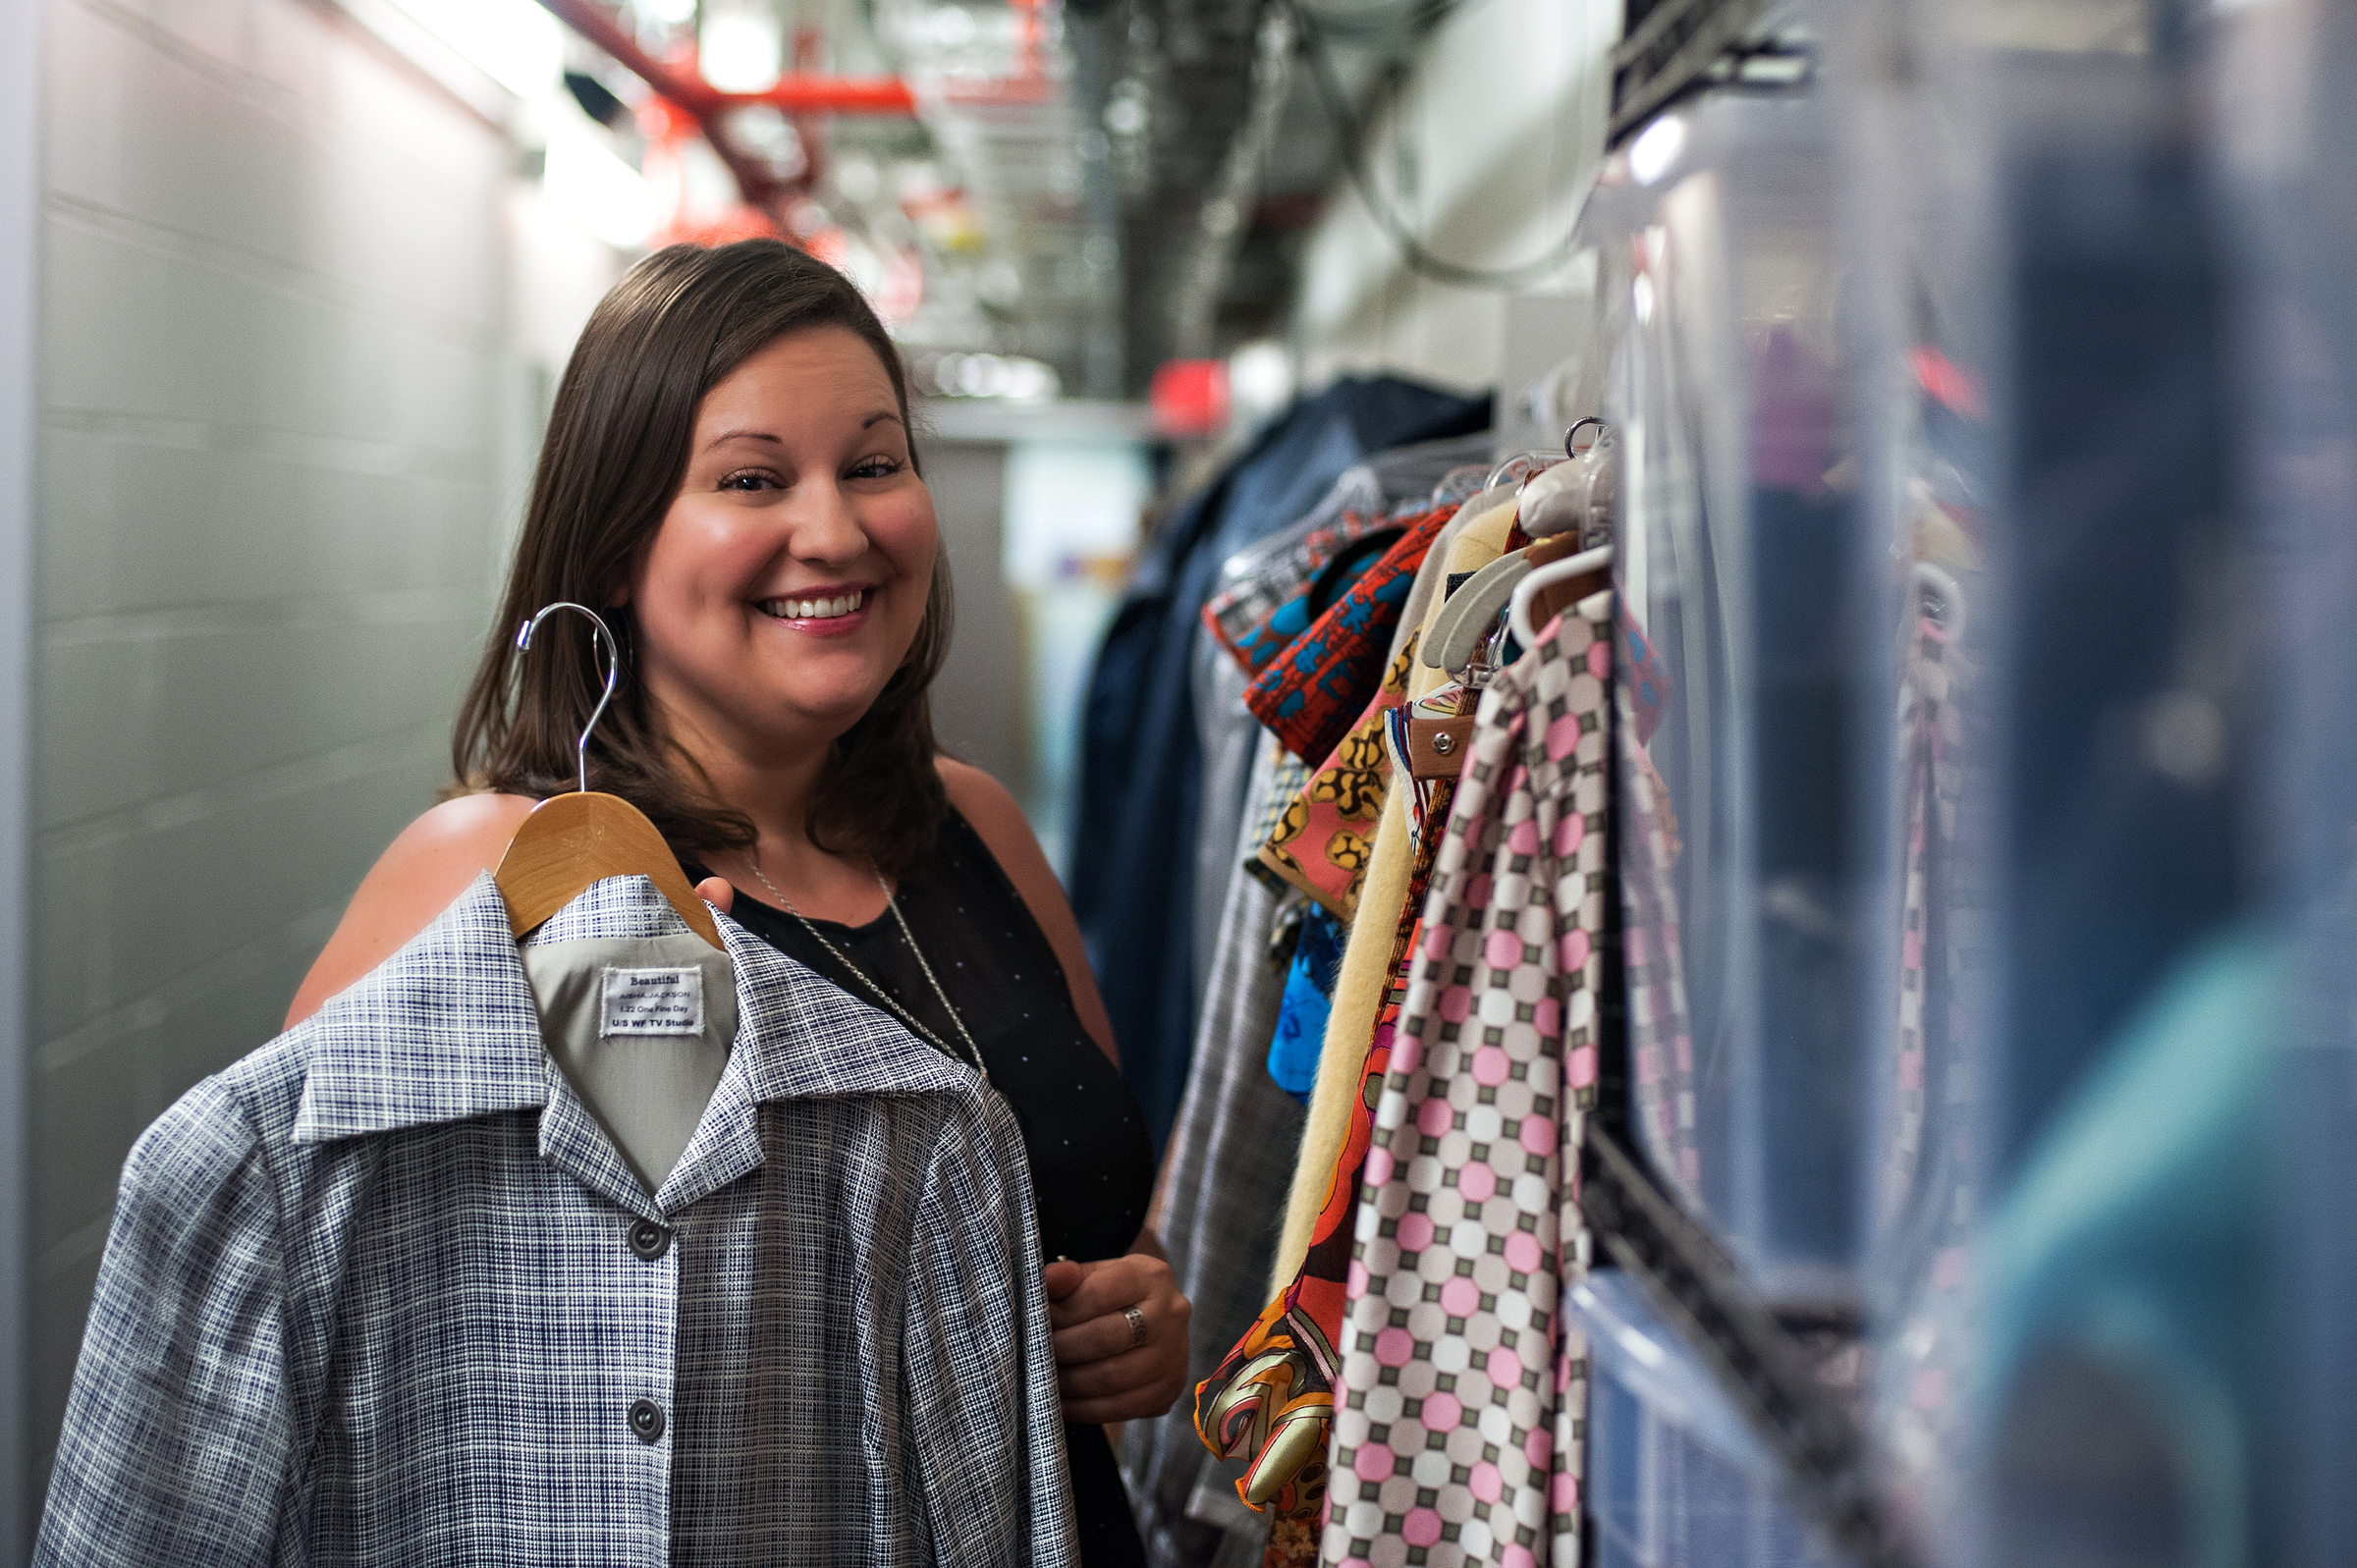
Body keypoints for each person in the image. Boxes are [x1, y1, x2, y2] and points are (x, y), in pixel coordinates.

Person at [288, 239, 1186, 1565]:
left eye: (873, 465)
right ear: (615, 545)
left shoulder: (972, 826)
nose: (836, 532)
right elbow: (304, 1325)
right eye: (752, 479)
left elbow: (1108, 1209)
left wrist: (1138, 1313)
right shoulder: (508, 871)